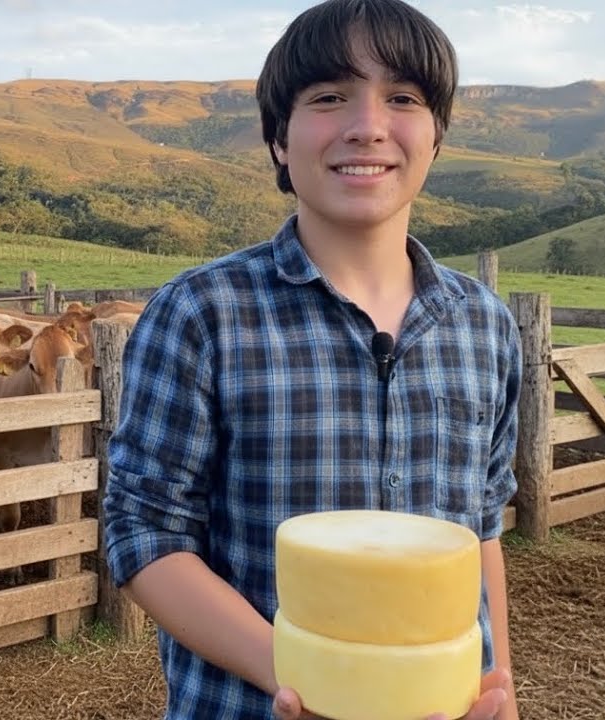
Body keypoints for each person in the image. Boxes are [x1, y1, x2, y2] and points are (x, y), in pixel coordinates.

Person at [101, 1, 521, 718]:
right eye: (329, 97)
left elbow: (479, 533)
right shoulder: (201, 314)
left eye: (403, 98)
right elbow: (145, 534)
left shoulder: (485, 325)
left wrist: (497, 684)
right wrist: (308, 676)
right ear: (278, 138)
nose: (368, 125)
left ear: (437, 135)